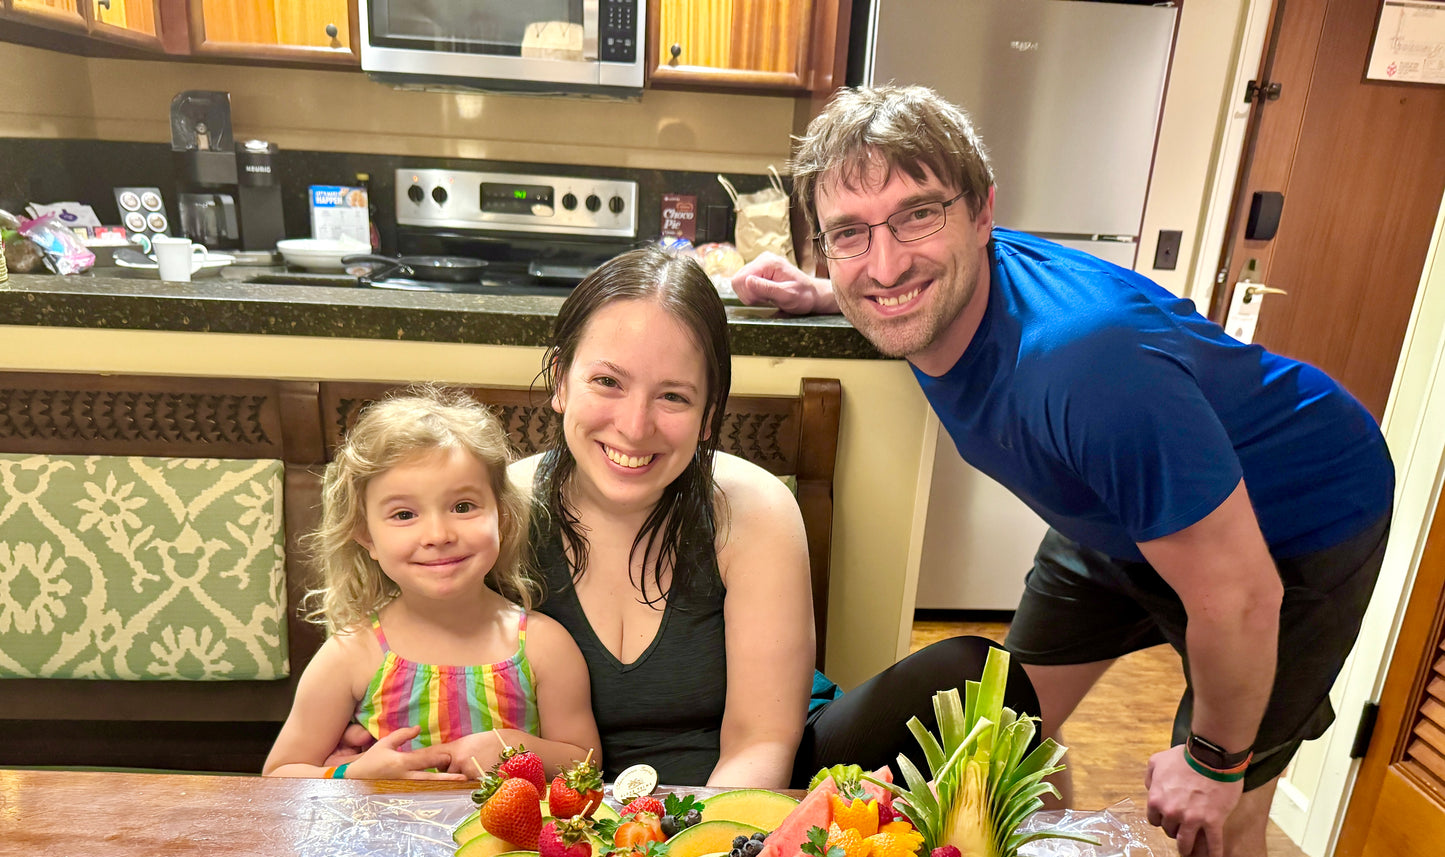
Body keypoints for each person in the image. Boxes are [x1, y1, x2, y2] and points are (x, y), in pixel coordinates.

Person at [731, 84, 1394, 857]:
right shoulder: (912, 288)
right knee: (1004, 734)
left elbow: (1239, 596)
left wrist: (1213, 758)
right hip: (1113, 516)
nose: (882, 262)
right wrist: (824, 297)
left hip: (1289, 532)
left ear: (982, 211)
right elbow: (897, 285)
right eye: (848, 234)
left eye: (916, 215)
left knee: (1221, 827)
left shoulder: (1083, 368)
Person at [429, 243, 1041, 790]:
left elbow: (761, 743)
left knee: (974, 675)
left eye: (673, 395)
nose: (635, 426)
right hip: (565, 806)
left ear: (708, 412)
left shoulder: (750, 507)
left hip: (759, 787)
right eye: (608, 382)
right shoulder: (495, 512)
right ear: (561, 381)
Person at [264, 388, 601, 780]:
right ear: (366, 536)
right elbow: (279, 776)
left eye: (463, 507)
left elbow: (587, 765)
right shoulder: (352, 653)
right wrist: (352, 775)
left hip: (508, 842)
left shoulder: (545, 646)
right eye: (404, 514)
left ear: (502, 517)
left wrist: (513, 749)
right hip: (382, 841)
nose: (438, 534)